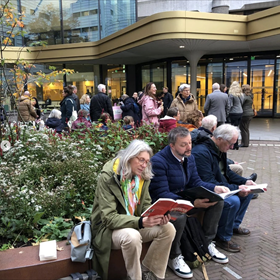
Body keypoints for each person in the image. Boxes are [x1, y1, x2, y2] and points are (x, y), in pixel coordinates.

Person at [149, 127, 230, 279]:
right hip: (166, 203)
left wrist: (215, 188)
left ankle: (206, 244)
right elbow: (162, 193)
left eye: (190, 143)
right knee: (179, 216)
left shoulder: (189, 158)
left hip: (185, 199)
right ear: (172, 145)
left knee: (217, 201)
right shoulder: (159, 162)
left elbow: (196, 182)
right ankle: (174, 256)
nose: (189, 147)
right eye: (183, 144)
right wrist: (193, 203)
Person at [90, 140, 176, 280]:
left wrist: (158, 214)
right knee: (132, 237)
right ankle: (135, 277)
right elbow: (109, 218)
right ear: (129, 157)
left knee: (168, 228)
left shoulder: (142, 176)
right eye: (141, 160)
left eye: (147, 161)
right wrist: (141, 222)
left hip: (134, 222)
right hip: (107, 230)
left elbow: (146, 205)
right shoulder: (109, 177)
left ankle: (151, 274)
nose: (144, 165)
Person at [191, 124, 255, 253]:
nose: (232, 147)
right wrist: (237, 188)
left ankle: (233, 226)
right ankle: (222, 237)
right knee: (233, 202)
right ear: (219, 139)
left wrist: (245, 182)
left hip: (218, 186)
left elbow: (227, 173)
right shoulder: (202, 153)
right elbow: (208, 182)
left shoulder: (219, 149)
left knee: (248, 192)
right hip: (206, 189)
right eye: (230, 144)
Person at [228, 81, 244, 150]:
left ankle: (234, 144)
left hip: (233, 113)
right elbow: (242, 103)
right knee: (237, 128)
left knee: (232, 129)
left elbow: (230, 105)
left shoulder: (231, 95)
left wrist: (227, 112)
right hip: (240, 112)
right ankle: (236, 144)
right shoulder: (241, 95)